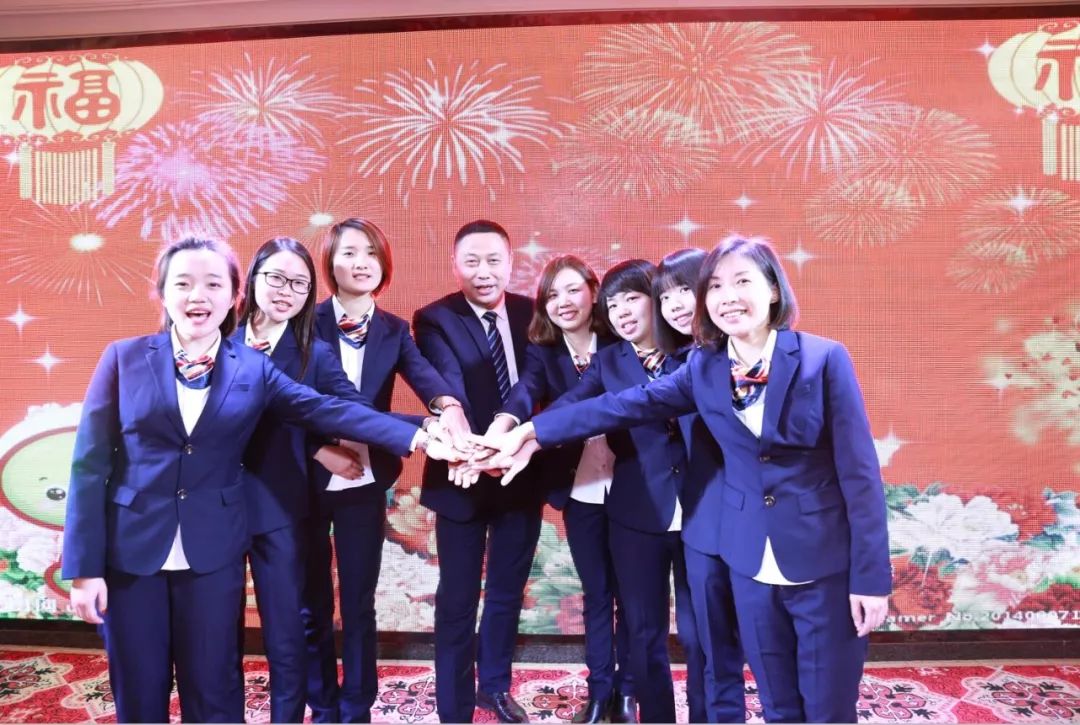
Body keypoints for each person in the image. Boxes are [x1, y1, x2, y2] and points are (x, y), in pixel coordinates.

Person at [477, 236, 891, 723]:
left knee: (827, 709)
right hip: (748, 562)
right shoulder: (706, 366)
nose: (727, 297)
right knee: (778, 705)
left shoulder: (822, 359)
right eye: (715, 286)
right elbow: (622, 405)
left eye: (742, 282)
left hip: (820, 560)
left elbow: (860, 476)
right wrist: (531, 433)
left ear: (774, 290)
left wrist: (871, 579)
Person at [62, 236, 459, 724]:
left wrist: (421, 434)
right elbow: (89, 466)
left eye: (213, 284)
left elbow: (328, 408)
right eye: (183, 284)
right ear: (162, 291)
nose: (198, 296)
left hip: (213, 551)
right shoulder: (123, 358)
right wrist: (84, 567)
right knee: (140, 693)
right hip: (131, 553)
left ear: (233, 293)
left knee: (214, 688)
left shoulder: (252, 368)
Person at [484, 258, 705, 724]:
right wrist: (526, 435)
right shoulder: (609, 361)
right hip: (637, 512)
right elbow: (576, 404)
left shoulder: (698, 352)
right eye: (614, 303)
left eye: (634, 299)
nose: (622, 312)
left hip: (703, 511)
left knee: (699, 633)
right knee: (643, 633)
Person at [303, 218, 469, 724]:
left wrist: (448, 406)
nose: (362, 263)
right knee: (310, 601)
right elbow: (283, 403)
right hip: (305, 478)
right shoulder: (305, 322)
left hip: (365, 480)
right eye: (350, 252)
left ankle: (357, 705)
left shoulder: (394, 330)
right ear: (330, 262)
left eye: (372, 253)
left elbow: (424, 376)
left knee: (359, 599)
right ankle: (322, 703)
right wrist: (319, 450)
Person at [491, 255, 634, 723]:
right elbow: (526, 389)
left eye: (573, 289)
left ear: (594, 291)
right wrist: (508, 424)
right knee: (597, 593)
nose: (564, 302)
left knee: (633, 595)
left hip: (632, 481)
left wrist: (529, 434)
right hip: (580, 485)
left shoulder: (620, 340)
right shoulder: (544, 351)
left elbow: (586, 398)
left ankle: (629, 692)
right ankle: (599, 692)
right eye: (552, 294)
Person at [412, 219, 543, 723]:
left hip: (517, 473)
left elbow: (534, 382)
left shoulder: (533, 313)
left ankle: (495, 687)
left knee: (507, 592)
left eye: (493, 260)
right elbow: (445, 378)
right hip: (460, 475)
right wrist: (468, 442)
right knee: (458, 597)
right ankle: (454, 704)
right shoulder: (435, 318)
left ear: (511, 263)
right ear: (455, 265)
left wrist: (503, 443)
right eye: (472, 261)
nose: (483, 272)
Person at [653, 248, 745, 723]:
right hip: (703, 523)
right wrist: (533, 432)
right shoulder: (678, 366)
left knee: (750, 643)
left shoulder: (743, 354)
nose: (674, 304)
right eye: (664, 296)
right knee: (702, 639)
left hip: (753, 520)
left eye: (685, 289)